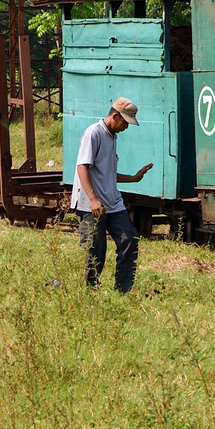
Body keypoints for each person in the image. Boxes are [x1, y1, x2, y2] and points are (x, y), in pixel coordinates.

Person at [71, 96, 153, 293]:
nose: (126, 127)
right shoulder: (94, 133)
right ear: (115, 116)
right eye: (125, 122)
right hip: (92, 204)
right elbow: (82, 167)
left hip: (112, 203)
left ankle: (122, 291)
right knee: (96, 250)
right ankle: (90, 293)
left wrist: (133, 178)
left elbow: (106, 173)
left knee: (130, 240)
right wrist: (93, 200)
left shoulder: (112, 136)